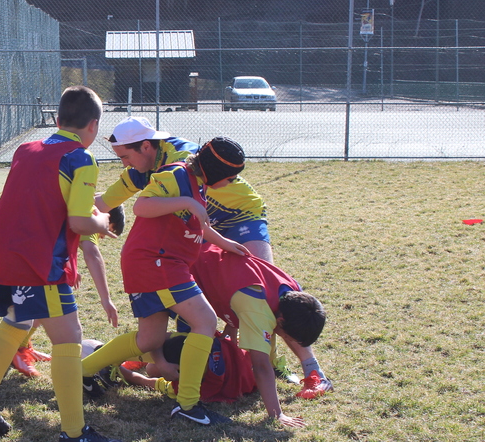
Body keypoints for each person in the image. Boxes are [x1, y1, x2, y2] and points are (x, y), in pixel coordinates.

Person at [0, 85, 123, 442]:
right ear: (94, 125)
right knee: (69, 337)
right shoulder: (81, 158)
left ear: (57, 120)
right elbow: (79, 221)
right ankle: (74, 433)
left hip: (1, 249)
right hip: (37, 260)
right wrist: (103, 221)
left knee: (18, 321)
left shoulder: (26, 148)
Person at [81, 136, 250, 426]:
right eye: (231, 176)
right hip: (156, 261)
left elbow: (197, 223)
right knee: (205, 321)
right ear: (216, 170)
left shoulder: (199, 185)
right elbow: (141, 206)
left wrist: (225, 243)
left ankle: (81, 370)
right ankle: (188, 404)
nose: (232, 182)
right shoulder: (176, 174)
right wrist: (186, 201)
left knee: (149, 339)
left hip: (157, 263)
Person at [187, 243, 331, 427]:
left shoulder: (293, 292)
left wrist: (231, 325)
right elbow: (261, 366)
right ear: (280, 321)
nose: (288, 340)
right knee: (160, 341)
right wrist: (277, 414)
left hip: (205, 252)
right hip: (183, 263)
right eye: (289, 337)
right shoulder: (258, 309)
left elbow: (235, 285)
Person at [94, 117, 274, 263]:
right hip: (202, 224)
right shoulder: (138, 171)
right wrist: (79, 217)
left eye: (125, 157)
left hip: (240, 213)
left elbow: (145, 208)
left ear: (146, 146)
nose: (124, 164)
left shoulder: (182, 161)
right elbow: (102, 203)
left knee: (263, 277)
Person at [10, 220, 121, 378]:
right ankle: (17, 351)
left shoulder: (84, 215)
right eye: (108, 230)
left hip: (27, 247)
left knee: (43, 303)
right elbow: (92, 254)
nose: (103, 236)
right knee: (59, 320)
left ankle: (21, 347)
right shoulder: (91, 218)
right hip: (29, 253)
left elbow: (62, 234)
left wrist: (69, 266)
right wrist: (106, 299)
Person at [115, 331, 257, 404]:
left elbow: (146, 381)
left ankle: (145, 360)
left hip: (246, 372)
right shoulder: (208, 339)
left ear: (178, 372)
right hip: (249, 365)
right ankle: (142, 359)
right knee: (153, 365)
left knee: (151, 370)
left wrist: (119, 370)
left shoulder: (191, 387)